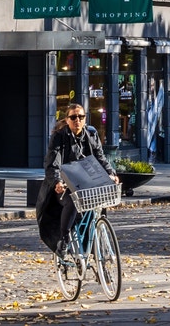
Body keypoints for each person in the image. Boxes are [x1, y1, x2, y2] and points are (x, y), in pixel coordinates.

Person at [42, 104, 119, 255]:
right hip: (65, 184)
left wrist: (111, 173)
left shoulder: (91, 134)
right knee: (72, 201)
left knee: (98, 206)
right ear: (67, 119)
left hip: (87, 183)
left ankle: (96, 253)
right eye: (73, 117)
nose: (77, 120)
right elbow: (52, 163)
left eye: (81, 117)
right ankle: (63, 240)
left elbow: (100, 158)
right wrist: (57, 181)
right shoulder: (59, 136)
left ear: (85, 119)